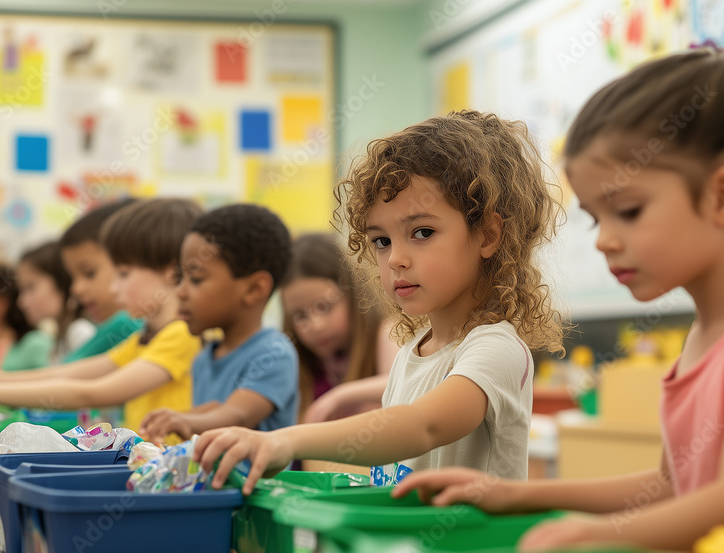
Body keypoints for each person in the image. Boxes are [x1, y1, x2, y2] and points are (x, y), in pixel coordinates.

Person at [395, 49, 724, 553]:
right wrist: (519, 495)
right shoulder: (707, 335)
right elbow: (675, 485)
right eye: (596, 218)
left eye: (627, 210)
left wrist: (598, 536)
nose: (603, 241)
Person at [192, 110, 565, 493]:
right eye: (381, 241)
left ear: (487, 235)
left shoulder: (496, 348)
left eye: (422, 232)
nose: (395, 259)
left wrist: (286, 440)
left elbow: (423, 426)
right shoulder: (410, 354)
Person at [0, 199, 203, 437]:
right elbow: (62, 373)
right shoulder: (147, 337)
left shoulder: (181, 335)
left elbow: (89, 393)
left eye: (124, 274)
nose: (115, 288)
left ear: (169, 271)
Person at [140, 204, 299, 443]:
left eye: (196, 278)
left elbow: (237, 415)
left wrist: (185, 420)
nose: (180, 292)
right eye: (181, 278)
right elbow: (210, 417)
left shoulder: (275, 353)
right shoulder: (204, 359)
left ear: (254, 289)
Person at [281, 233, 398, 425]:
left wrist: (338, 396)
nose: (316, 325)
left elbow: (397, 382)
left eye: (324, 306)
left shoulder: (387, 331)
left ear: (352, 293)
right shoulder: (303, 363)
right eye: (300, 315)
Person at [59, 200, 143, 361]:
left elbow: (64, 373)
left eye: (89, 273)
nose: (76, 289)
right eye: (72, 277)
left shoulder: (127, 323)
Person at [16, 241, 96, 364]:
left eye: (30, 287)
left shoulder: (79, 331)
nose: (21, 302)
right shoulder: (60, 337)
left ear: (60, 281)